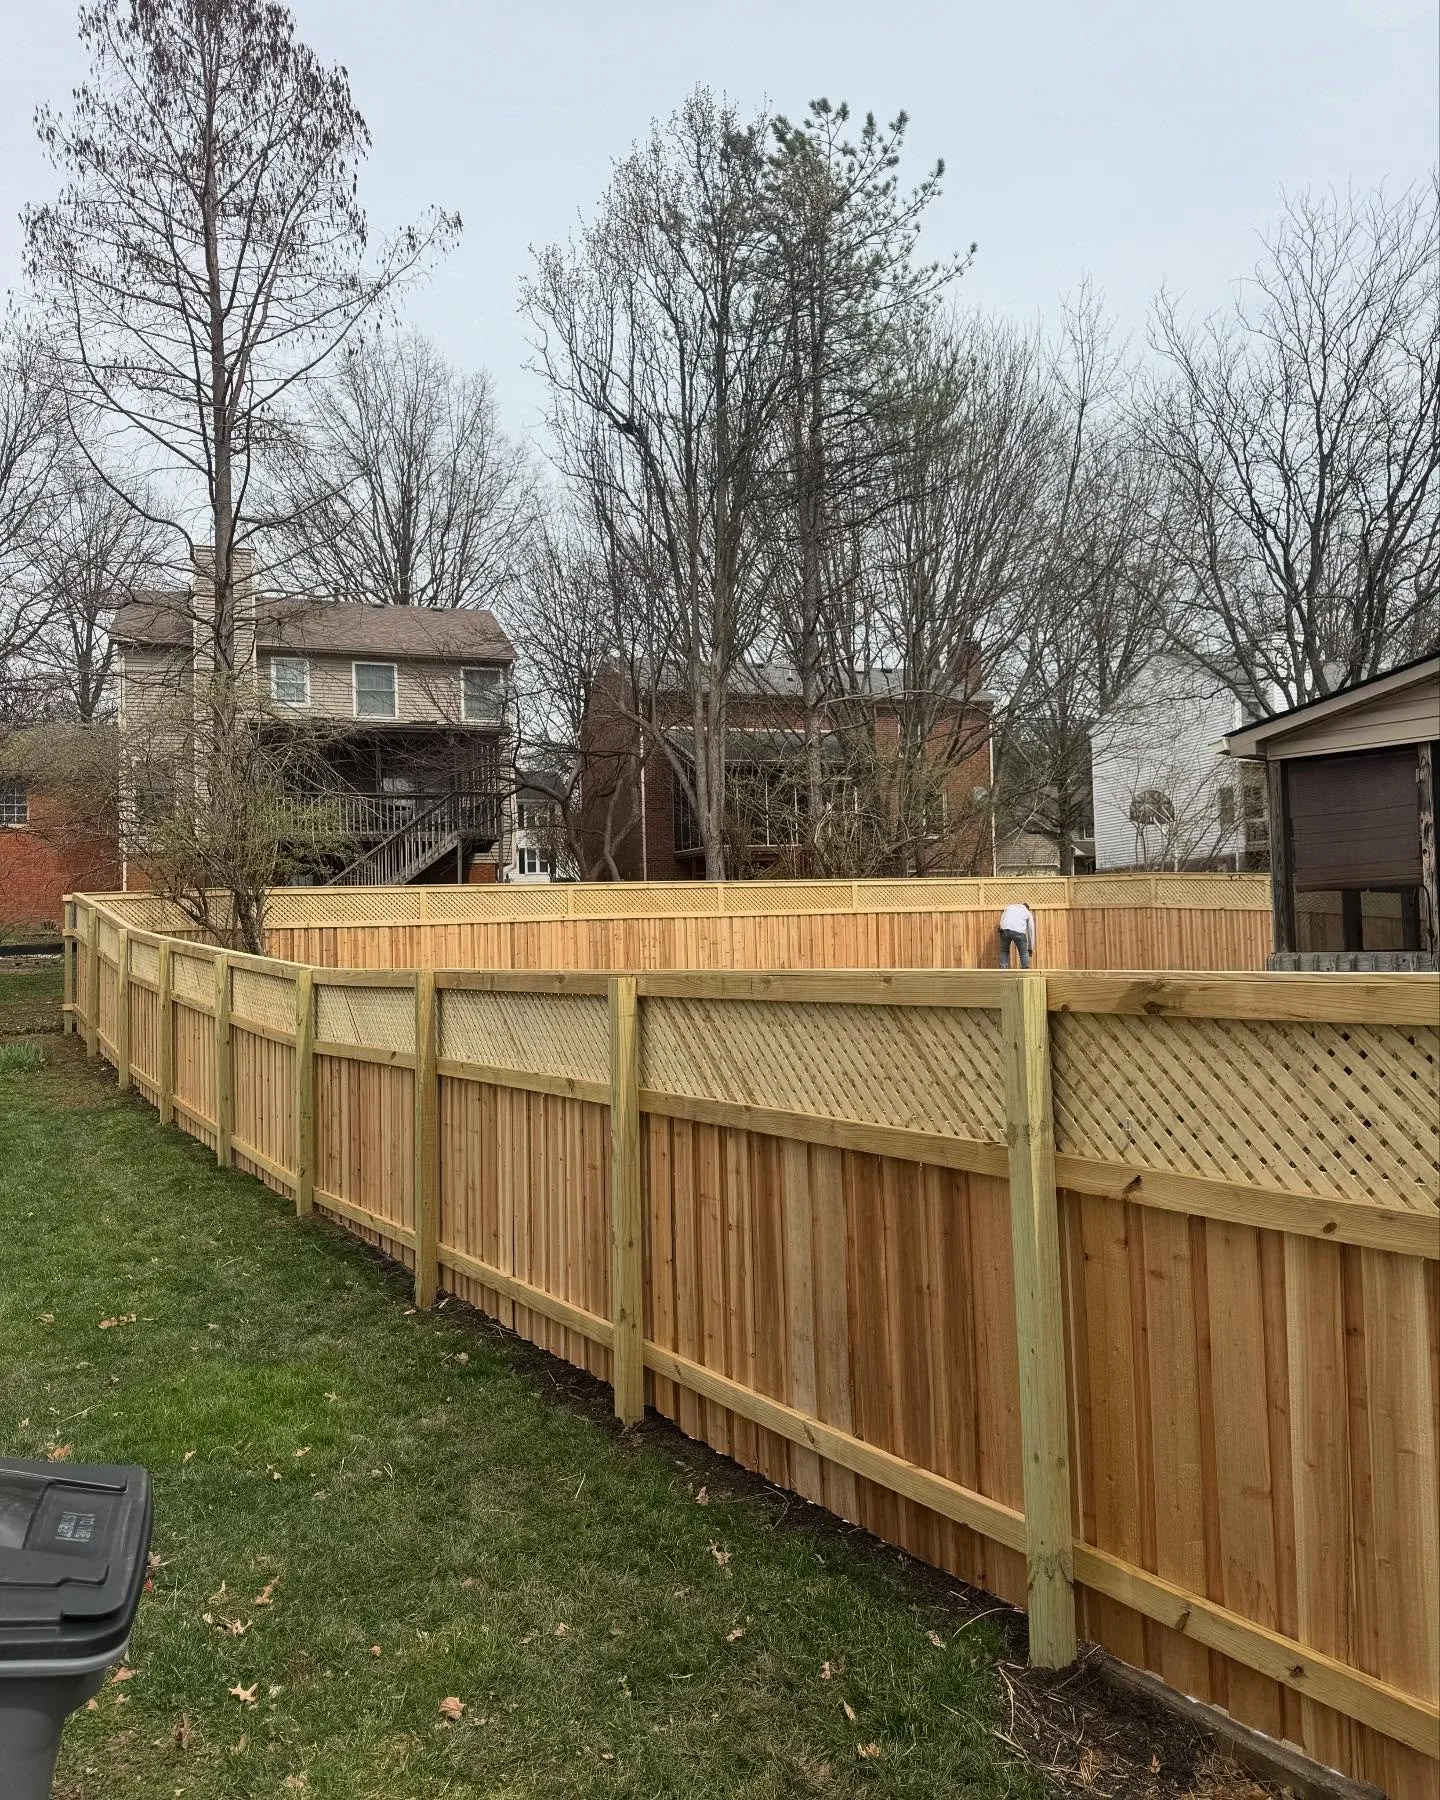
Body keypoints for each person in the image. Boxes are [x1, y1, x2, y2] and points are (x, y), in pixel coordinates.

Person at [998, 900, 1035, 969]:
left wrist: (1001, 931)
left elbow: (1001, 921)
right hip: (1019, 932)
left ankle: (1002, 971)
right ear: (1027, 908)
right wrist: (1030, 948)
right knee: (1024, 953)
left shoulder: (1009, 908)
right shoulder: (1027, 912)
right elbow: (1030, 930)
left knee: (1004, 951)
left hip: (1005, 930)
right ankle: (1025, 971)